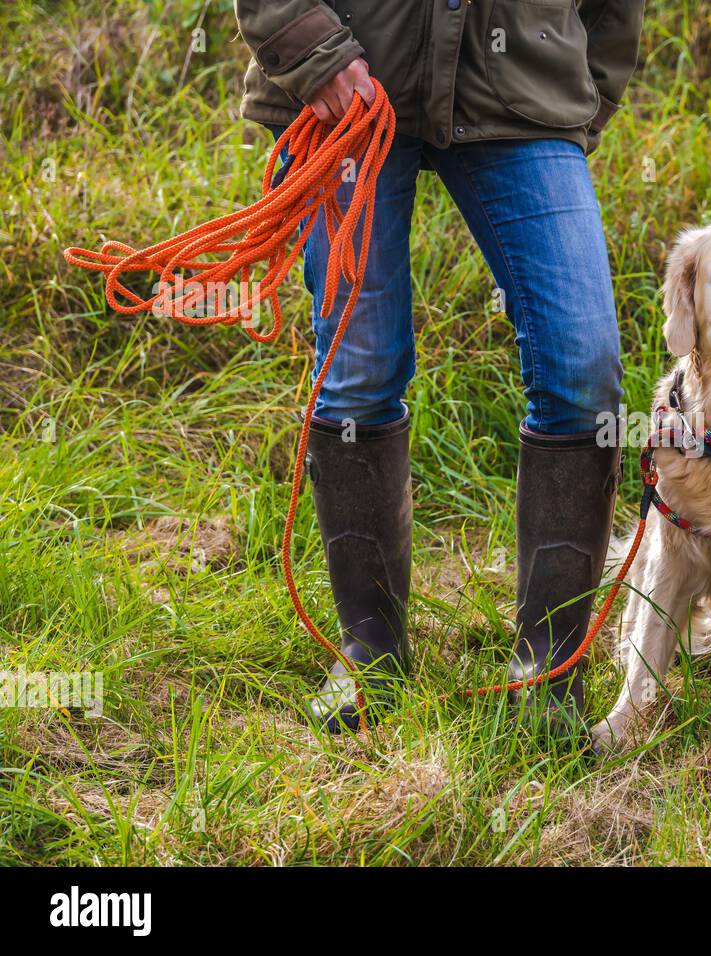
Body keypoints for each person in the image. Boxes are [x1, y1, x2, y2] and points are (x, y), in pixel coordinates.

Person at [232, 1, 646, 733]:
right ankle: (370, 652)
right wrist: (316, 53)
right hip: (347, 89)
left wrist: (588, 88)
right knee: (358, 370)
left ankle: (548, 670)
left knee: (585, 370)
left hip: (524, 89)